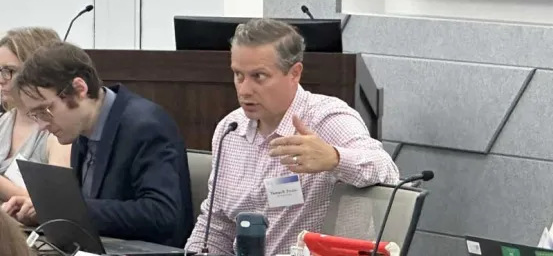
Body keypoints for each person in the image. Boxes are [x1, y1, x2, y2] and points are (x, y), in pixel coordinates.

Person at [185, 18, 400, 255]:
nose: (244, 90)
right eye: (238, 75)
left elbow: (387, 171)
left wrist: (334, 158)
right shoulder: (230, 129)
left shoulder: (326, 119)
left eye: (259, 76)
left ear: (294, 73)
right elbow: (217, 225)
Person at [1, 41, 194, 247]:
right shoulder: (79, 128)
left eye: (45, 111)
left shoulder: (146, 126)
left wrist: (68, 210)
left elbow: (162, 214)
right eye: (35, 115)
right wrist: (45, 211)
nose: (41, 126)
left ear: (79, 89)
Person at [0, 27, 71, 201]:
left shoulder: (58, 132)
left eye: (10, 71)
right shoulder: (5, 120)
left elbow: (58, 203)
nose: (1, 79)